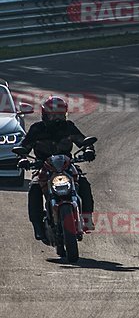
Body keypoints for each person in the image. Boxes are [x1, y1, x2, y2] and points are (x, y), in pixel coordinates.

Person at [17, 96, 95, 242]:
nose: (57, 119)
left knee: (83, 183)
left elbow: (82, 140)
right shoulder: (36, 129)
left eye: (60, 115)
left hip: (66, 165)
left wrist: (89, 149)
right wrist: (22, 159)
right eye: (54, 115)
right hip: (43, 166)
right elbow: (24, 147)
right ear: (45, 115)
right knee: (34, 188)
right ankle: (38, 227)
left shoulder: (69, 127)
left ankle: (87, 218)